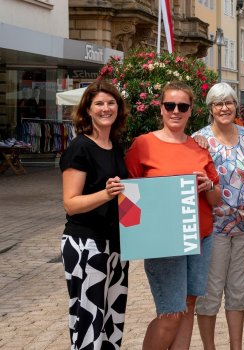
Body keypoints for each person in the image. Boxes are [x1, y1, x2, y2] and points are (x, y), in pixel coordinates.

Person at [125, 81, 221, 349]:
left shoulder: (200, 147)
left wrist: (208, 185)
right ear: (161, 108)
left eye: (182, 106)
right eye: (170, 105)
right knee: (170, 312)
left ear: (191, 110)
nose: (175, 111)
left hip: (200, 237)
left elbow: (215, 199)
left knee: (189, 305)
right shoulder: (142, 145)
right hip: (164, 243)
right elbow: (129, 197)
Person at [59, 79, 129, 349]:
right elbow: (70, 203)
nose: (105, 108)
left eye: (111, 103)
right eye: (99, 103)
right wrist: (106, 194)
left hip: (116, 245)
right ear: (87, 109)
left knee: (112, 320)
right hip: (86, 244)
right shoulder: (80, 147)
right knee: (88, 319)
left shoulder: (116, 146)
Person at [192, 83, 244, 350]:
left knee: (239, 291)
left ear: (235, 105)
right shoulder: (199, 139)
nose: (224, 108)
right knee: (210, 293)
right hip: (215, 227)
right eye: (218, 103)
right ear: (210, 108)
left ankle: (236, 347)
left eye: (229, 102)